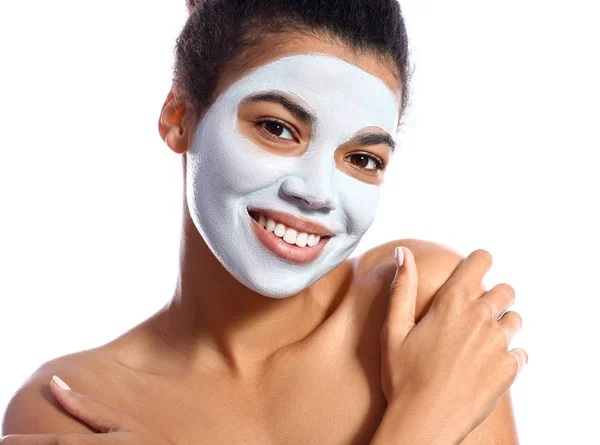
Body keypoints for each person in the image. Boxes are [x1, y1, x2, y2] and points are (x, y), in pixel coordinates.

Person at [1, 0, 526, 443]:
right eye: (278, 128)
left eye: (362, 159)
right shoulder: (72, 405)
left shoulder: (421, 308)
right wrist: (421, 423)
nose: (316, 194)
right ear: (179, 115)